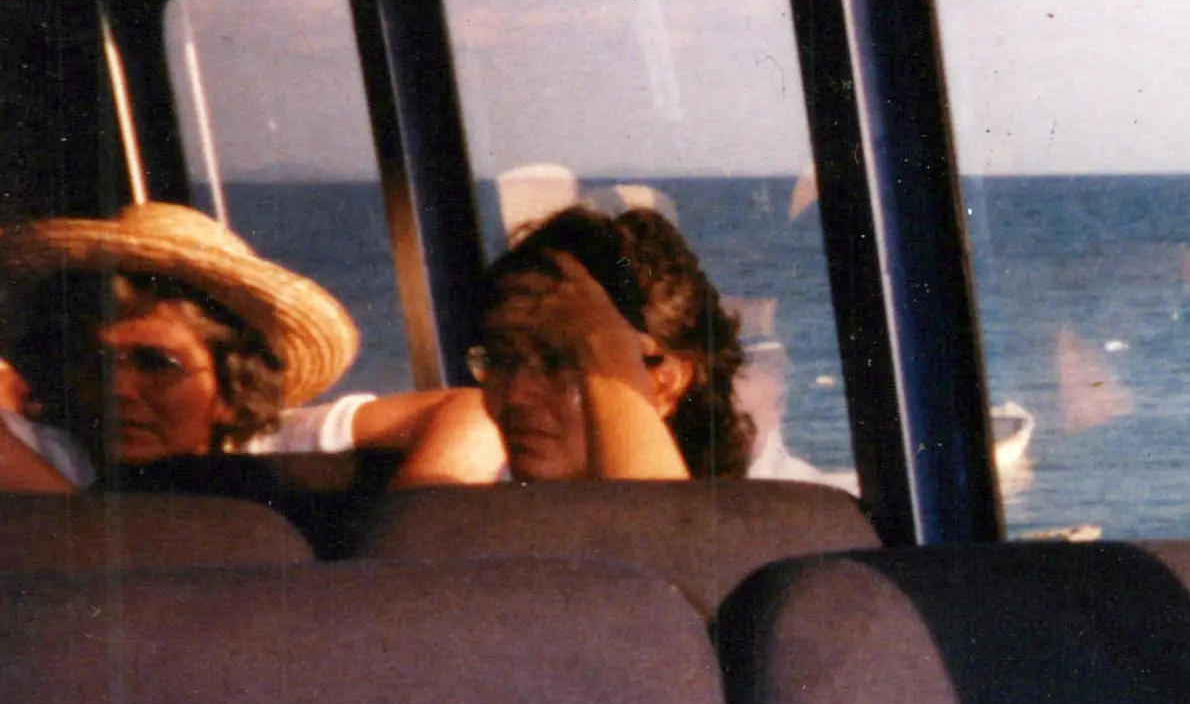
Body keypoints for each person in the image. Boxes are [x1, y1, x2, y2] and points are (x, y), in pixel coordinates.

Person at [0, 202, 451, 542]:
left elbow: (463, 409)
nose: (117, 388)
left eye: (157, 364)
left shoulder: (273, 443)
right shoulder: (54, 454)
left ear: (234, 388)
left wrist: (406, 535)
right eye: (94, 360)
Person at [396, 205, 753, 484]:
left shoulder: (738, 548)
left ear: (664, 384)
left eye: (558, 361)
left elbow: (664, 544)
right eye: (502, 359)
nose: (517, 393)